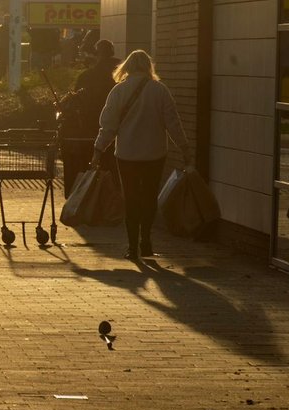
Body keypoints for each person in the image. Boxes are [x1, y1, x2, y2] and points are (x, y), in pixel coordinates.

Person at [93, 49, 191, 261]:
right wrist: (184, 148)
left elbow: (108, 126)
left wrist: (98, 150)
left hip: (127, 155)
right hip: (154, 154)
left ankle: (131, 247)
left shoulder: (118, 92)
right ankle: (146, 241)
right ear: (148, 67)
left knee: (131, 199)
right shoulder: (160, 91)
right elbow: (173, 123)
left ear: (127, 67)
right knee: (148, 198)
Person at [58, 39, 119, 196]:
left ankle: (91, 197)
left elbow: (76, 101)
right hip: (118, 128)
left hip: (89, 127)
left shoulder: (87, 76)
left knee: (90, 164)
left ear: (96, 54)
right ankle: (112, 197)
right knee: (112, 166)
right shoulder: (121, 75)